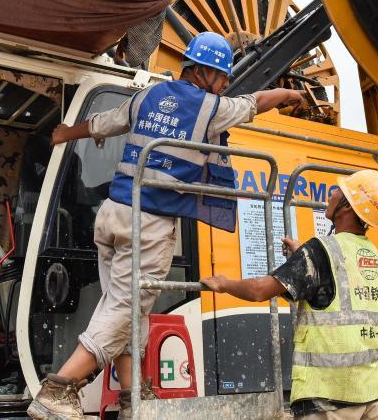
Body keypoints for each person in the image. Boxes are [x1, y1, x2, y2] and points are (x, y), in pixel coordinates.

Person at [28, 31, 305, 420]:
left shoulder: (147, 97)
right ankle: (59, 389)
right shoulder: (211, 108)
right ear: (206, 72)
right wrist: (290, 96)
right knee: (125, 308)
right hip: (149, 224)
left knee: (125, 307)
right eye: (223, 76)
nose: (226, 84)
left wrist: (65, 135)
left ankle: (133, 397)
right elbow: (256, 102)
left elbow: (105, 123)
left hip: (112, 214)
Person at [202, 170, 378, 420]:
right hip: (370, 395)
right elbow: (335, 291)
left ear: (347, 207)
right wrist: (303, 258)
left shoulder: (320, 251)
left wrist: (224, 284)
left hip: (329, 399)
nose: (331, 195)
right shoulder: (373, 254)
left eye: (339, 192)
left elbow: (259, 291)